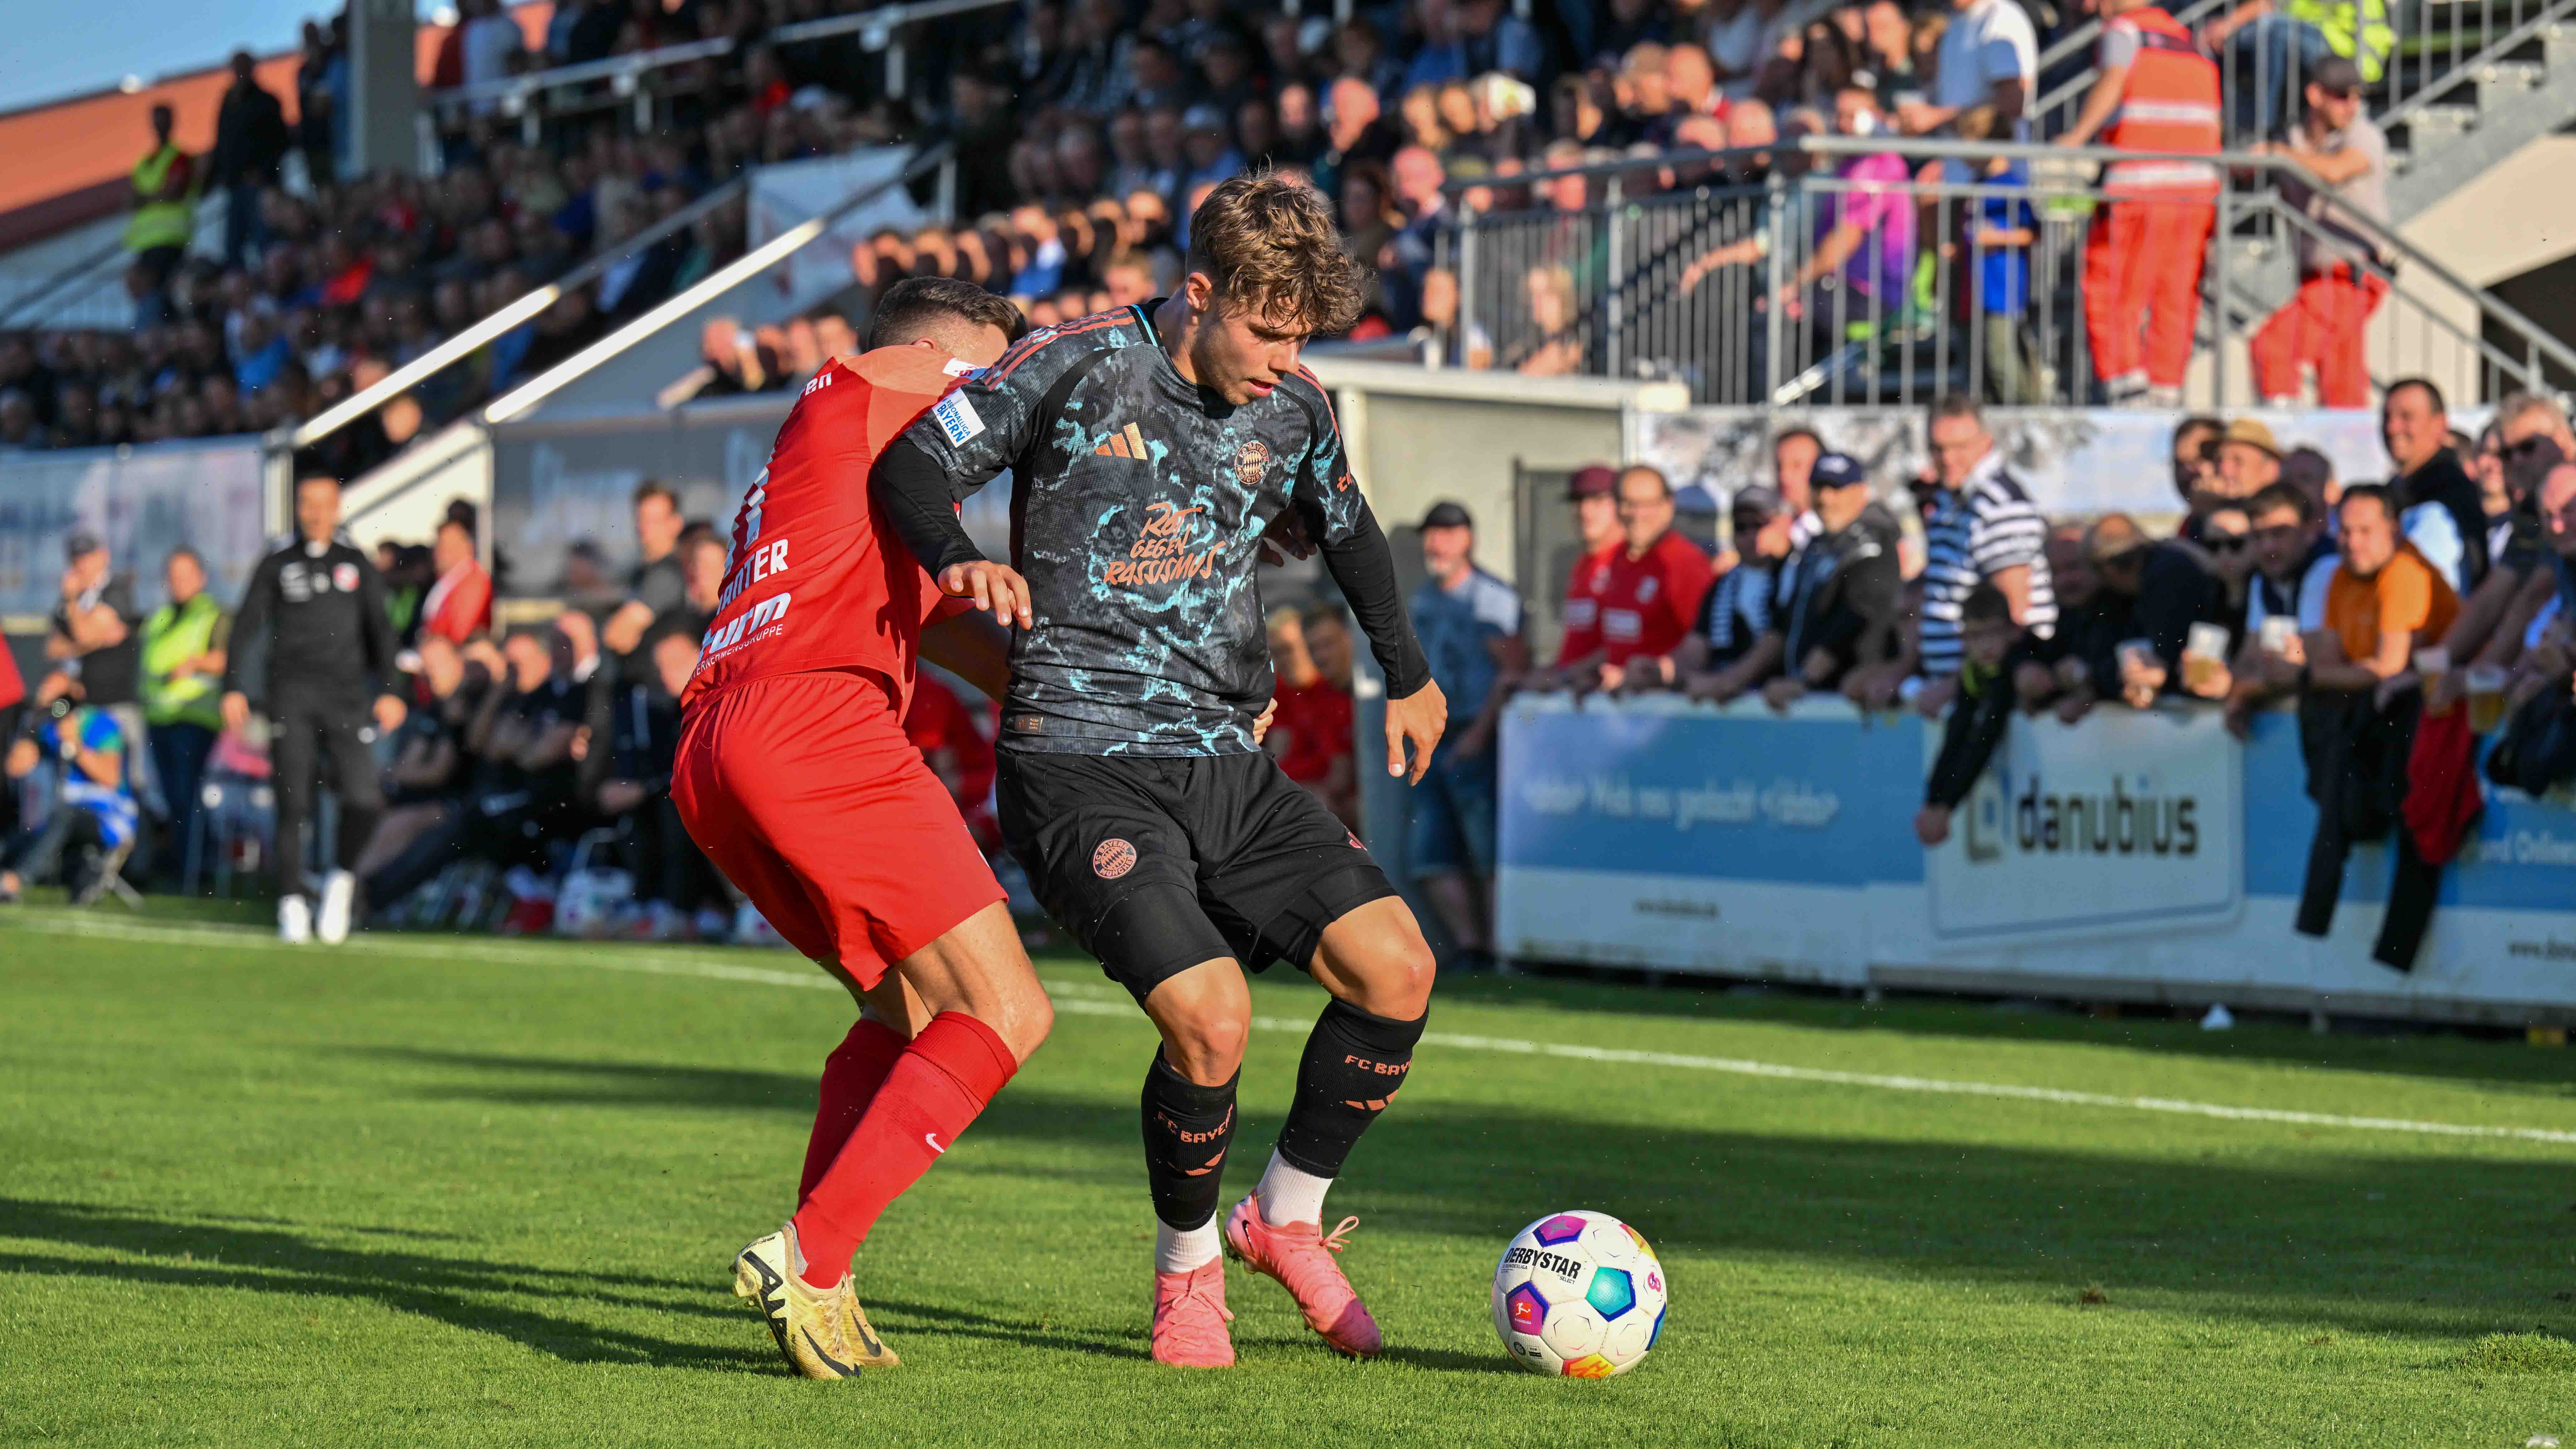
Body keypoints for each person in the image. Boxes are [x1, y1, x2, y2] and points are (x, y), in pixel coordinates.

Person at [871, 173, 1447, 1370]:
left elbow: (1346, 529)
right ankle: (1186, 1272)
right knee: (1210, 1018)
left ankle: (1282, 1216)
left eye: (1304, 336)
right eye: (1268, 330)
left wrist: (1409, 673)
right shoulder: (1074, 364)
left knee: (1397, 970)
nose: (1287, 359)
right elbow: (912, 469)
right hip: (1078, 761)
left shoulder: (1293, 405)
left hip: (1225, 758)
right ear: (1198, 295)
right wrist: (956, 563)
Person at [670, 276, 1055, 1379]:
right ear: (941, 356)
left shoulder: (835, 480)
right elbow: (984, 391)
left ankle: (819, 1276)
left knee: (911, 1009)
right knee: (1008, 1008)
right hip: (813, 722)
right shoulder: (874, 383)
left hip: (719, 743)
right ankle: (815, 1254)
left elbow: (961, 639)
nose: (988, 400)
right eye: (984, 372)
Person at [221, 474, 407, 944]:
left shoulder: (355, 563)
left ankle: (340, 882)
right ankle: (291, 904)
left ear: (338, 508)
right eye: (307, 503)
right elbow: (246, 626)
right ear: (297, 507)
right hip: (292, 695)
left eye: (325, 504)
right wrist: (234, 687)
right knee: (293, 801)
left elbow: (382, 631)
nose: (316, 513)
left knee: (363, 799)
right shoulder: (279, 562)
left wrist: (391, 690)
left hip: (346, 696)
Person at [2296, 483, 2457, 969]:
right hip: (2382, 714)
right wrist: (2319, 674)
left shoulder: (2405, 571)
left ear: (2393, 529)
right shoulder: (2341, 578)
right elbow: (2332, 662)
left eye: (2366, 531)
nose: (2353, 542)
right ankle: (2319, 920)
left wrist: (2305, 675)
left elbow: (2386, 668)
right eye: (2345, 531)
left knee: (2416, 820)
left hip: (2438, 712)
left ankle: (2386, 947)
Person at [2060, 0, 2223, 407]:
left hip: (2139, 187)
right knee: (2175, 297)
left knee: (2111, 290)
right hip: (2196, 192)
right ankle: (2165, 391)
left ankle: (2125, 388)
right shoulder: (2189, 43)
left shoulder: (2124, 32)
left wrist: (2077, 138)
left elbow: (2114, 81)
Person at [1408, 501, 1525, 971]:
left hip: (1478, 730)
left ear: (1468, 539)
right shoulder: (1424, 597)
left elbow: (1512, 671)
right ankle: (1471, 946)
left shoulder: (1491, 596)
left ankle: (1501, 949)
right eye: (1432, 533)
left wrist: (1480, 733)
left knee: (1486, 847)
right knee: (1431, 851)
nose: (1437, 543)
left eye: (1448, 533)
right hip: (1434, 731)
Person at [2248, 60, 2387, 409]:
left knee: (2274, 347)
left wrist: (2279, 157)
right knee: (2342, 384)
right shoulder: (2291, 138)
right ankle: (2349, 453)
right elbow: (2244, 168)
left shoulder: (2363, 134)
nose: (2351, 106)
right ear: (2315, 95)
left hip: (2351, 273)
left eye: (2357, 96)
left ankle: (2278, 443)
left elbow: (2336, 171)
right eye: (2342, 96)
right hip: (2316, 276)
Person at [1915, 396, 2055, 709]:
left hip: (1985, 692)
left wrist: (1957, 686)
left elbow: (2014, 616)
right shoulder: (1951, 500)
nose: (1949, 458)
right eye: (1938, 448)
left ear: (1986, 443)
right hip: (1960, 688)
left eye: (1961, 447)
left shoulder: (1998, 503)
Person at [1754, 451, 1905, 709]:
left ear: (1861, 492)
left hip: (1848, 705)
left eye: (1837, 489)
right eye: (1819, 488)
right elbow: (1787, 624)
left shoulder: (1873, 543)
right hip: (1811, 701)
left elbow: (1856, 618)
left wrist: (1805, 681)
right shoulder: (1814, 548)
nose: (1826, 499)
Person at [46, 534, 151, 823]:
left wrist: (74, 609)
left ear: (103, 556)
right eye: (75, 559)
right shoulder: (73, 599)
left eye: (87, 557)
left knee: (127, 781)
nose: (80, 565)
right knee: (84, 779)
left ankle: (135, 858)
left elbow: (81, 635)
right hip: (84, 707)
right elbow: (53, 647)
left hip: (117, 705)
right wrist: (91, 638)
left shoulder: (116, 590)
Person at [139, 547, 229, 879]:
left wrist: (194, 664)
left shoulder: (213, 614)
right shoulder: (161, 616)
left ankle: (197, 864)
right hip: (159, 717)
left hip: (193, 718)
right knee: (170, 797)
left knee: (186, 794)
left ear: (201, 578)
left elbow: (226, 657)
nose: (178, 583)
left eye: (185, 575)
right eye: (173, 576)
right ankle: (183, 859)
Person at [1589, 466, 1720, 691]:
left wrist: (1655, 673)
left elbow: (1703, 644)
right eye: (1629, 503)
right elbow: (1621, 643)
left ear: (1668, 507)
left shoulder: (1683, 562)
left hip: (1664, 707)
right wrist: (1579, 671)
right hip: (1621, 707)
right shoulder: (1619, 557)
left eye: (1648, 504)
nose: (1638, 514)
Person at [1914, 583, 2022, 846]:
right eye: (1975, 636)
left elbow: (1986, 735)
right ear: (1962, 639)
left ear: (2012, 632)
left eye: (1993, 633)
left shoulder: (2013, 664)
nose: (1985, 646)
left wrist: (1946, 807)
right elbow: (1958, 730)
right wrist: (1932, 801)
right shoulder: (1974, 670)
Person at [0, 702, 139, 905]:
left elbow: (111, 778)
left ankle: (17, 880)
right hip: (61, 815)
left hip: (108, 817)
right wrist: (27, 744)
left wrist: (75, 745)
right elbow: (15, 767)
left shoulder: (101, 723)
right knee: (27, 827)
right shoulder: (50, 727)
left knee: (63, 816)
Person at [2380, 377, 2487, 595]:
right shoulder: (2396, 489)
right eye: (2387, 417)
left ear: (2440, 425)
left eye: (2406, 417)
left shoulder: (2449, 492)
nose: (2392, 428)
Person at [1264, 608, 1358, 828]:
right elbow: (1282, 758)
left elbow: (1338, 773)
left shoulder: (1331, 692)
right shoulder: (1285, 692)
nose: (1282, 661)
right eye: (1275, 653)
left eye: (1289, 650)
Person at [1535, 464, 1624, 689]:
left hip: (1607, 697)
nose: (1584, 511)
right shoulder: (1583, 564)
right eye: (1578, 501)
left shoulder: (1628, 562)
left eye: (1597, 500)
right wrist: (1554, 671)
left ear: (1620, 505)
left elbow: (1629, 643)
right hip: (1574, 690)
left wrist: (1564, 675)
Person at [207, 51, 291, 268]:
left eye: (244, 67)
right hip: (235, 186)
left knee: (266, 241)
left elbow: (281, 142)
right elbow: (222, 144)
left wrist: (263, 172)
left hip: (261, 185)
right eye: (236, 68)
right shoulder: (227, 103)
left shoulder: (267, 101)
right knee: (233, 248)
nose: (240, 73)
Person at [124, 104, 198, 319]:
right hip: (147, 242)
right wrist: (157, 195)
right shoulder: (143, 162)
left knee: (162, 293)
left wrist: (146, 198)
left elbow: (174, 191)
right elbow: (131, 200)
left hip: (171, 239)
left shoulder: (179, 157)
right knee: (150, 292)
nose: (160, 125)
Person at [420, 515, 495, 644]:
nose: (440, 553)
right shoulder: (450, 580)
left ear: (468, 547)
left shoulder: (473, 581)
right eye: (439, 546)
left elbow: (461, 635)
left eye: (448, 547)